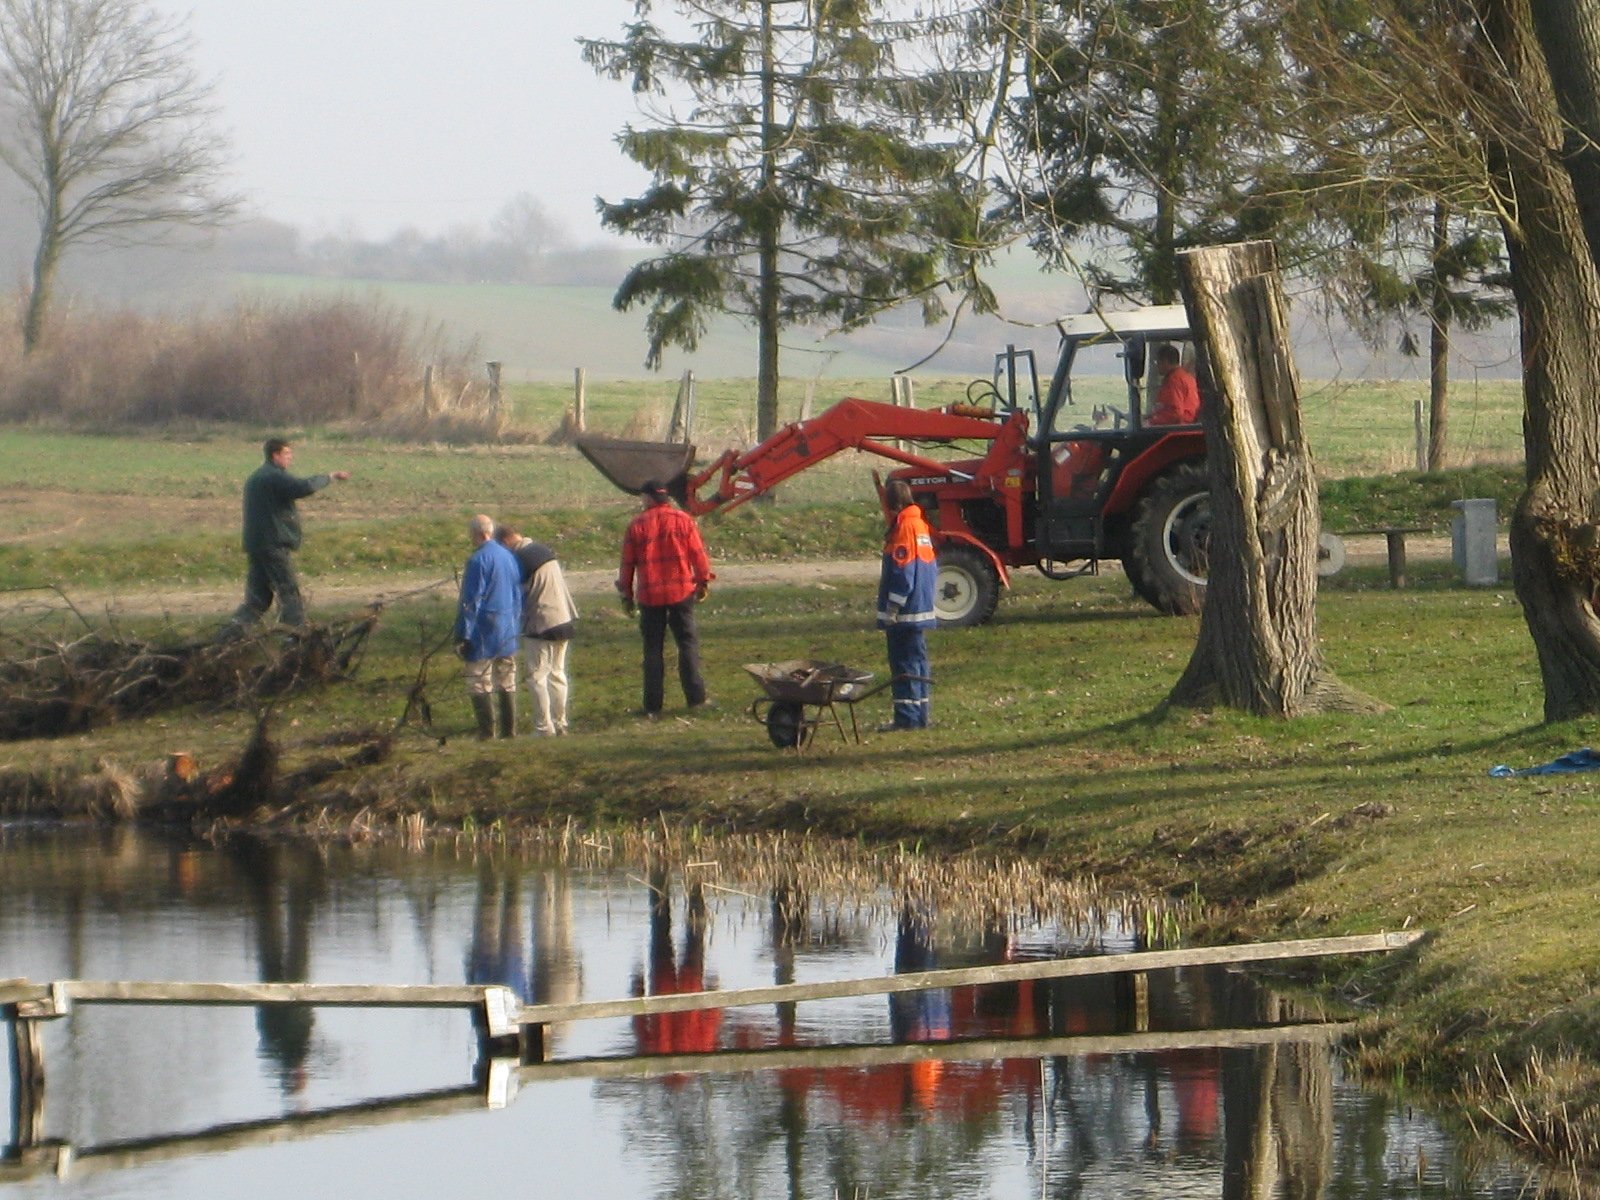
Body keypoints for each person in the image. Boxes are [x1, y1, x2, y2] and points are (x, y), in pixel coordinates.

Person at [616, 480, 714, 718]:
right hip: (681, 592)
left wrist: (626, 595)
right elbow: (698, 554)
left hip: (650, 596)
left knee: (652, 649)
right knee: (687, 644)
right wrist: (703, 581)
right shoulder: (683, 520)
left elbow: (627, 565)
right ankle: (696, 699)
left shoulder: (637, 525)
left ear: (648, 498)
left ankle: (653, 706)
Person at [232, 437, 349, 628]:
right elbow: (303, 487)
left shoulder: (256, 477)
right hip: (273, 544)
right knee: (288, 592)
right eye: (287, 454)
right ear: (275, 455)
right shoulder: (274, 476)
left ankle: (230, 636)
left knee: (257, 599)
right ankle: (295, 636)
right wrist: (330, 477)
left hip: (257, 545)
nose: (290, 458)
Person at [495, 525, 578, 737]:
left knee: (537, 676)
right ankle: (561, 723)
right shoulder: (542, 550)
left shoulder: (520, 559)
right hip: (563, 617)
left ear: (505, 541)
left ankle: (544, 727)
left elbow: (516, 593)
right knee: (558, 673)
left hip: (541, 620)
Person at [454, 514, 523, 739]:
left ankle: (486, 732)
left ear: (480, 534)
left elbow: (472, 600)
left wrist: (463, 634)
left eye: (472, 535)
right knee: (507, 677)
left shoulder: (477, 561)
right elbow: (516, 593)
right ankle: (509, 731)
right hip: (507, 626)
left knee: (478, 679)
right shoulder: (508, 556)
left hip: (484, 628)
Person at [877, 479, 936, 731]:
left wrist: (892, 608)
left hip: (905, 613)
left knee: (903, 665)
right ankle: (921, 714)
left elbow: (903, 573)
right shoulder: (920, 525)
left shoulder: (903, 529)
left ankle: (906, 718)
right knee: (918, 662)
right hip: (922, 608)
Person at [1151, 344, 1201, 426]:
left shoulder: (1174, 381)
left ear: (1165, 361)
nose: (1157, 365)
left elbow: (1175, 413)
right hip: (1187, 425)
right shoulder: (1186, 377)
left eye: (1158, 362)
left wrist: (1152, 422)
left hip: (1180, 427)